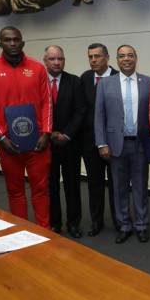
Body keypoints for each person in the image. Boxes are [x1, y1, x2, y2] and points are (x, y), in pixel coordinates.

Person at [0, 26, 52, 227]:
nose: (12, 43)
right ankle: (22, 232)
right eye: (7, 39)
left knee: (41, 189)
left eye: (15, 39)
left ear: (22, 42)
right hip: (9, 143)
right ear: (0, 43)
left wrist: (46, 132)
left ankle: (45, 232)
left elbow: (47, 102)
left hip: (38, 141)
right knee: (15, 191)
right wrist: (1, 137)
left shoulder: (38, 68)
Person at [94, 44, 150, 244]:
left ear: (136, 58)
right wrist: (101, 143)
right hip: (115, 144)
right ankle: (124, 225)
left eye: (130, 55)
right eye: (122, 56)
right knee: (118, 188)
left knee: (140, 187)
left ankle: (142, 225)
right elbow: (99, 116)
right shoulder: (105, 84)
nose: (126, 59)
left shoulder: (148, 82)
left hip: (140, 144)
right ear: (116, 60)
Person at [44, 45, 85, 238]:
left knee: (72, 186)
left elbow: (80, 111)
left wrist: (66, 134)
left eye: (60, 58)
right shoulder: (38, 81)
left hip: (70, 143)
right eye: (52, 59)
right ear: (45, 61)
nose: (56, 62)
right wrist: (49, 133)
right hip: (46, 143)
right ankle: (54, 223)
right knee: (50, 185)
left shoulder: (75, 82)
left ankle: (74, 223)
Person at [79, 43, 120, 236]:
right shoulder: (86, 78)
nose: (93, 60)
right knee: (94, 184)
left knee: (116, 184)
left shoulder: (118, 78)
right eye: (90, 57)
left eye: (97, 56)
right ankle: (96, 221)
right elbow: (82, 110)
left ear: (107, 57)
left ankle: (119, 221)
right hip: (90, 143)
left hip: (114, 143)